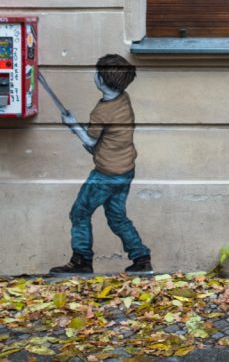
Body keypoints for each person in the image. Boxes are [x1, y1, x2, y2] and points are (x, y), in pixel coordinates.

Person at [51, 54, 153, 275]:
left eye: (97, 73)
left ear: (101, 80)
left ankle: (81, 260)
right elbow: (100, 143)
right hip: (126, 170)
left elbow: (90, 143)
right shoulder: (123, 99)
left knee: (79, 213)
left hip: (106, 174)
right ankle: (141, 258)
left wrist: (72, 125)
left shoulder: (102, 111)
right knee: (117, 217)